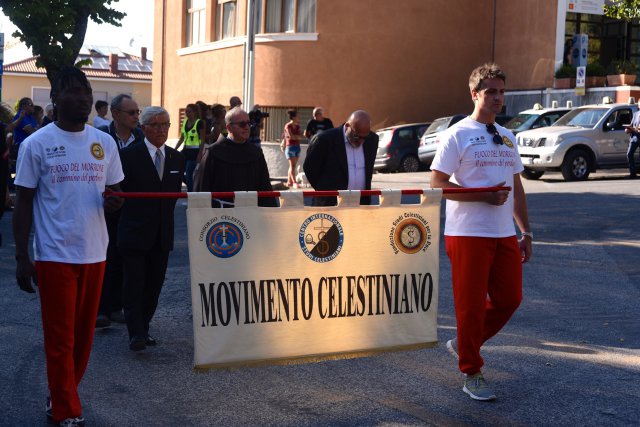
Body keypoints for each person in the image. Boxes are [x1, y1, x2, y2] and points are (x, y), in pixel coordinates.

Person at [12, 66, 124, 426]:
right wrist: (22, 256)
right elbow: (23, 202)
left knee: (82, 338)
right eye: (73, 92)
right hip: (54, 254)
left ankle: (61, 394)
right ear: (55, 98)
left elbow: (114, 191)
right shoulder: (36, 144)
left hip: (95, 251)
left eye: (86, 91)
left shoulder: (105, 143)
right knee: (60, 337)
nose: (83, 98)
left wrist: (114, 202)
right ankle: (66, 410)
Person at [430, 63, 532, 401]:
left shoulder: (507, 136)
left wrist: (526, 232)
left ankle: (464, 344)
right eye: (491, 92)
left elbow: (517, 187)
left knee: (510, 299)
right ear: (475, 94)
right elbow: (437, 185)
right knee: (470, 306)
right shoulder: (457, 134)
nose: (498, 98)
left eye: (501, 92)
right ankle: (471, 371)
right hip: (467, 233)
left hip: (503, 233)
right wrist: (482, 196)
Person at [118, 106, 184, 352]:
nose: (161, 129)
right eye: (155, 125)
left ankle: (144, 328)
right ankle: (135, 333)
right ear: (143, 128)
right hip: (134, 232)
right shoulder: (128, 156)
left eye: (165, 124)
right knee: (134, 284)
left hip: (162, 235)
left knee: (154, 286)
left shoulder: (176, 158)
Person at [95, 94, 146, 328]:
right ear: (115, 114)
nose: (136, 117)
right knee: (106, 257)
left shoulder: (141, 138)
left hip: (132, 208)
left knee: (127, 258)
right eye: (131, 112)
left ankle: (117, 307)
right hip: (105, 207)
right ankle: (101, 309)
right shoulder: (100, 137)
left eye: (137, 112)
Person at [196, 107, 276, 207]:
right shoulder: (213, 152)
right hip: (220, 213)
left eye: (249, 123)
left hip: (251, 211)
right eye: (242, 124)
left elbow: (265, 187)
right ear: (229, 128)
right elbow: (201, 187)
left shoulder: (256, 153)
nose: (247, 127)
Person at [303, 110, 378, 206]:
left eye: (364, 138)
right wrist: (324, 190)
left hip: (360, 204)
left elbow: (368, 171)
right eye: (356, 136)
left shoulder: (372, 140)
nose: (361, 142)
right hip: (330, 204)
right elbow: (310, 168)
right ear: (347, 126)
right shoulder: (324, 140)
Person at [175, 103, 205, 192]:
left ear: (195, 112)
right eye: (186, 111)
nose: (187, 113)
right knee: (178, 171)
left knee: (189, 174)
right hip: (185, 150)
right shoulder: (185, 122)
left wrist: (200, 154)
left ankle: (191, 193)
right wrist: (175, 149)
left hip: (195, 152)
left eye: (189, 111)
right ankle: (194, 187)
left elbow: (202, 140)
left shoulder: (199, 123)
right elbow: (182, 138)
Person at [8, 97, 37, 161]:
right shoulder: (19, 116)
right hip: (22, 147)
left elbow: (36, 130)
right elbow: (31, 132)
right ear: (24, 106)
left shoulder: (30, 116)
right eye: (31, 105)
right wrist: (35, 129)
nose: (33, 106)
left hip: (29, 146)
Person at [282, 109, 304, 188]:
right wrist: (296, 137)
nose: (299, 117)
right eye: (297, 116)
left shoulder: (297, 126)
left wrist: (296, 137)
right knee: (293, 166)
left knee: (292, 166)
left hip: (297, 147)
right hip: (290, 147)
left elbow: (301, 136)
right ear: (294, 117)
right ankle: (294, 182)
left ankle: (289, 182)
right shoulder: (288, 126)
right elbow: (291, 136)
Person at [625, 110, 640, 179]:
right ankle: (632, 173)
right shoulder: (635, 114)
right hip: (634, 138)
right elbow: (631, 125)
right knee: (629, 154)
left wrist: (635, 129)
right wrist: (628, 129)